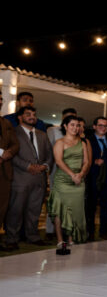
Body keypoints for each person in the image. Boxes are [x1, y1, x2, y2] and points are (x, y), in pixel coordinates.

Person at [4, 106, 54, 248]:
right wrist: (27, 166)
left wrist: (45, 166)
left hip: (39, 179)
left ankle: (32, 236)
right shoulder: (13, 133)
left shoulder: (42, 134)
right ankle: (12, 239)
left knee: (35, 210)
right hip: (20, 178)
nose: (32, 116)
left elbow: (50, 155)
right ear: (20, 117)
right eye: (28, 114)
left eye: (33, 114)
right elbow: (11, 154)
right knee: (15, 210)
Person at [48, 115, 90, 248]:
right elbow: (58, 161)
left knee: (75, 211)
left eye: (78, 125)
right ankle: (60, 240)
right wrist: (72, 175)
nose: (75, 128)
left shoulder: (82, 143)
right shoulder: (59, 142)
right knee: (60, 210)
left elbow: (86, 162)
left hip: (78, 181)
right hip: (63, 181)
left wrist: (81, 174)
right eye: (72, 125)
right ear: (65, 126)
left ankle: (72, 238)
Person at [85, 117, 107, 240]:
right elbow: (83, 158)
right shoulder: (88, 140)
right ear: (94, 126)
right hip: (93, 178)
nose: (103, 128)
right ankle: (90, 233)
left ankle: (104, 231)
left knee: (106, 206)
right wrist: (93, 161)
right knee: (91, 207)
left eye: (105, 126)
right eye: (100, 125)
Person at [46, 108, 77, 238]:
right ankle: (50, 230)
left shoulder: (76, 133)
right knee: (55, 200)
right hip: (56, 170)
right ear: (63, 118)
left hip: (72, 173)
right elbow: (48, 150)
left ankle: (66, 230)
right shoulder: (53, 130)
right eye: (68, 117)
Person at [0, 96, 20, 251]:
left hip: (4, 172)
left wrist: (9, 153)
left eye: (1, 99)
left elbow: (15, 144)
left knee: (2, 207)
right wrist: (1, 152)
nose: (0, 102)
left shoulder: (6, 123)